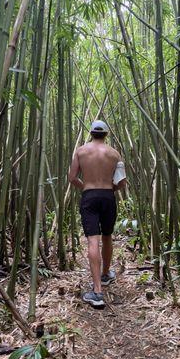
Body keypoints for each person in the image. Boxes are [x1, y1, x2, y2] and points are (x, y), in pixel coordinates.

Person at [68, 120, 126, 307]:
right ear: (106, 134)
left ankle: (97, 291)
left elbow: (72, 177)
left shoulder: (81, 151)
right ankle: (106, 273)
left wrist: (87, 187)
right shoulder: (114, 154)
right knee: (107, 236)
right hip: (108, 196)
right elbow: (122, 182)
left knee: (93, 239)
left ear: (91, 133)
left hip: (89, 196)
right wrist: (109, 189)